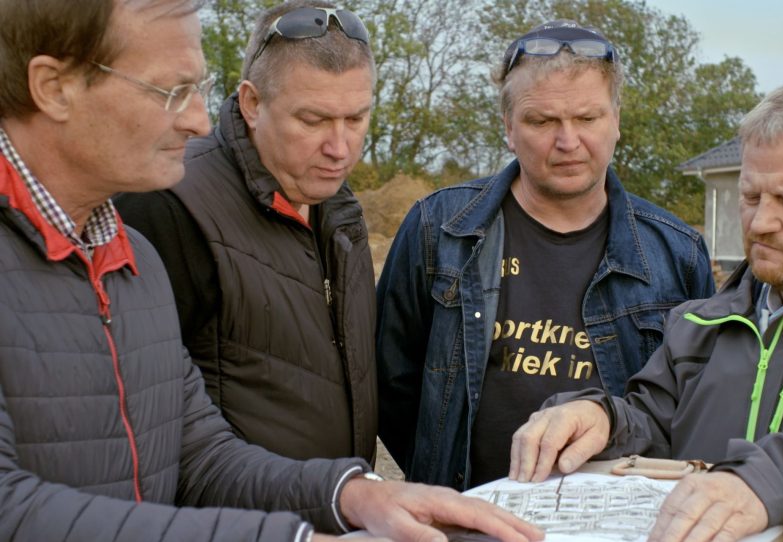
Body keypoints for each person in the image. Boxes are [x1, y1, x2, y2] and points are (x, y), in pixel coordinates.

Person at [0, 1, 546, 541]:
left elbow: (201, 456)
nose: (195, 120)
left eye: (199, 90)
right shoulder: (165, 217)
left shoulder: (130, 258)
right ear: (54, 87)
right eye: (169, 92)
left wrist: (353, 493)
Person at [375, 19, 715, 490]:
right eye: (542, 121)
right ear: (508, 127)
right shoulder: (439, 229)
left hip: (613, 525)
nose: (568, 141)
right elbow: (391, 386)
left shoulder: (678, 254)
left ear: (616, 121)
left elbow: (692, 409)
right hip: (462, 521)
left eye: (587, 119)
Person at [509, 76, 783, 540]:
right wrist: (602, 419)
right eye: (750, 197)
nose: (761, 222)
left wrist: (774, 481)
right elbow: (650, 424)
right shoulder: (697, 327)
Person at [115, 0, 377, 463]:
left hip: (337, 517)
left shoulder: (340, 209)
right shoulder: (169, 204)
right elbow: (133, 422)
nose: (340, 148)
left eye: (355, 119)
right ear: (252, 103)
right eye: (312, 120)